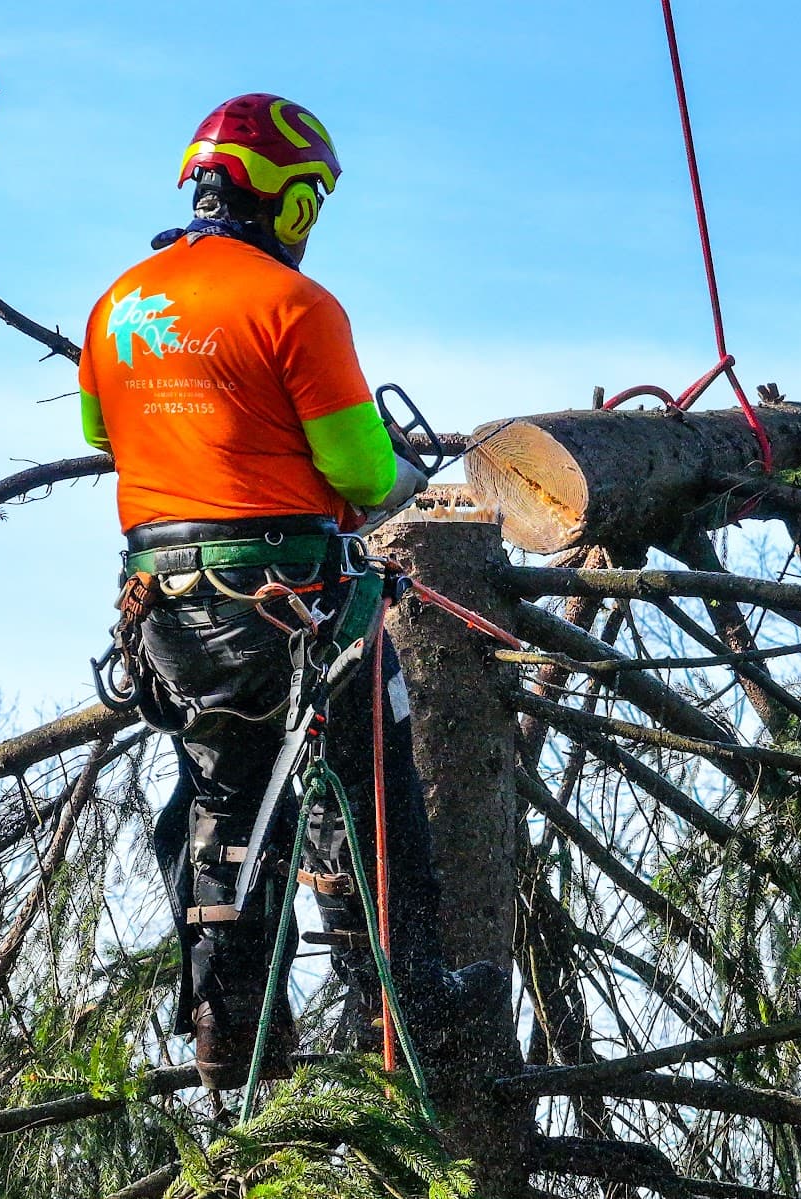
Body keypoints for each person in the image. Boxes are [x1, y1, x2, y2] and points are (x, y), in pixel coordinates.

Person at [78, 93, 496, 1089]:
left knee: (225, 795)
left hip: (164, 608)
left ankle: (231, 1028)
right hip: (291, 597)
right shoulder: (293, 305)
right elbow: (361, 474)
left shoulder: (118, 300)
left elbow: (103, 432)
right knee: (368, 785)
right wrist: (392, 472)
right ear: (288, 200)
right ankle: (408, 1002)